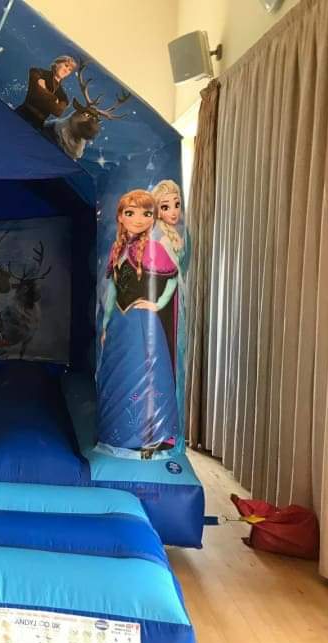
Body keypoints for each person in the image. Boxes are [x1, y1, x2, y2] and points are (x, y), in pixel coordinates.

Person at [97, 190, 179, 456]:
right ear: (121, 217)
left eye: (147, 213)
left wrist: (158, 304)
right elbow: (112, 290)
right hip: (120, 323)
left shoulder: (154, 249)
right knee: (119, 374)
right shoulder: (117, 250)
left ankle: (149, 435)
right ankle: (118, 431)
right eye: (131, 213)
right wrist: (106, 323)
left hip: (142, 323)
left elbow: (173, 278)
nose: (139, 219)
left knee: (143, 373)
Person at [151, 179, 185, 368]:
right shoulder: (161, 238)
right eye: (166, 207)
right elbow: (174, 274)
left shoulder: (176, 233)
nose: (173, 211)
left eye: (176, 205)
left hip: (178, 292)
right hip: (170, 296)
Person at [15, 55, 77, 130]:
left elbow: (58, 112)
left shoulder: (63, 96)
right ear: (57, 63)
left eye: (70, 70)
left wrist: (44, 89)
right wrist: (55, 100)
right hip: (22, 114)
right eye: (66, 65)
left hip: (37, 126)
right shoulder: (38, 73)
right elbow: (36, 94)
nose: (66, 70)